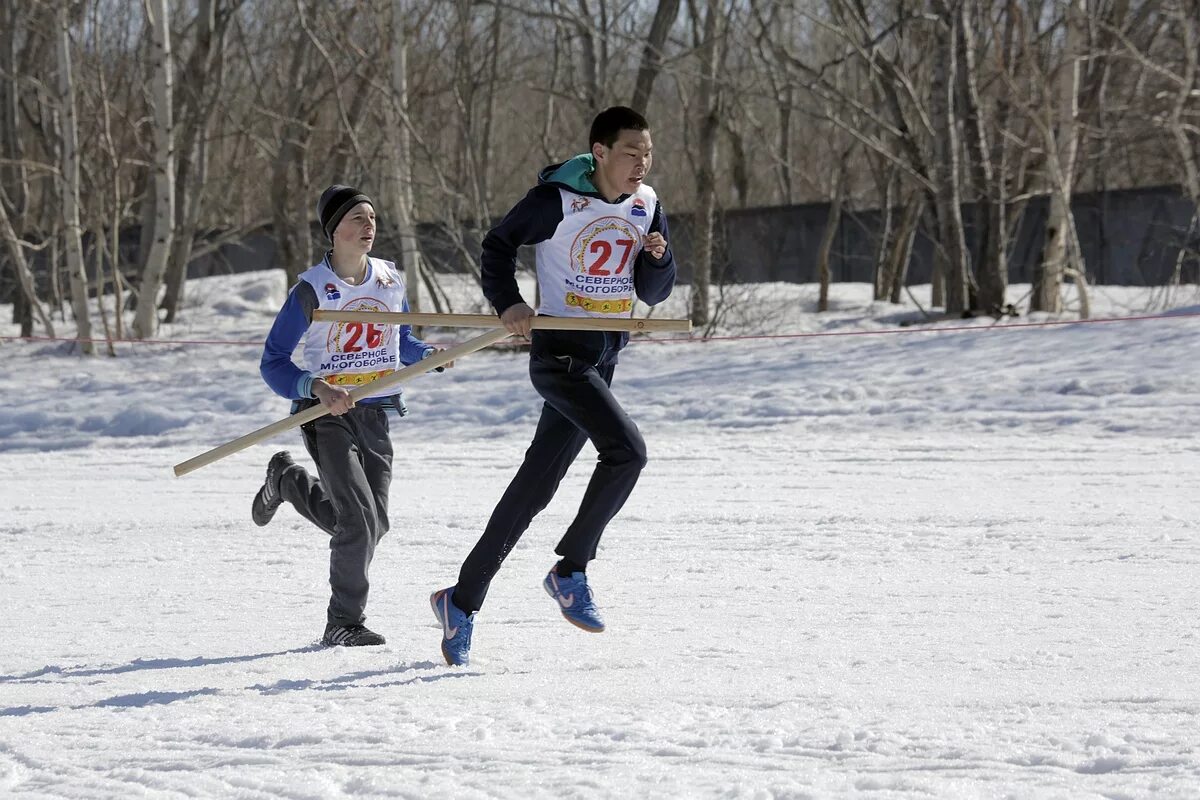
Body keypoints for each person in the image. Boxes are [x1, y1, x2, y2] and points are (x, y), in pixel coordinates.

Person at [431, 106, 676, 666]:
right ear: (601, 152)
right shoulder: (558, 200)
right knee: (628, 452)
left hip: (605, 355)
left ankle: (459, 602)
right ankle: (570, 569)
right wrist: (510, 303)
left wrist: (658, 262)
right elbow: (497, 246)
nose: (641, 163)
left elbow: (654, 293)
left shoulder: (647, 206)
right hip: (561, 357)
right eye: (631, 152)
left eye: (648, 153)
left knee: (534, 490)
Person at [254, 184, 448, 647]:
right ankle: (343, 621)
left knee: (371, 524)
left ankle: (287, 482)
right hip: (327, 415)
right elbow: (274, 361)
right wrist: (316, 387)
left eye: (373, 218)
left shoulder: (388, 279)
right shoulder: (311, 291)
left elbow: (400, 343)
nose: (369, 226)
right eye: (358, 218)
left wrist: (429, 354)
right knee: (359, 524)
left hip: (375, 412)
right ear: (334, 229)